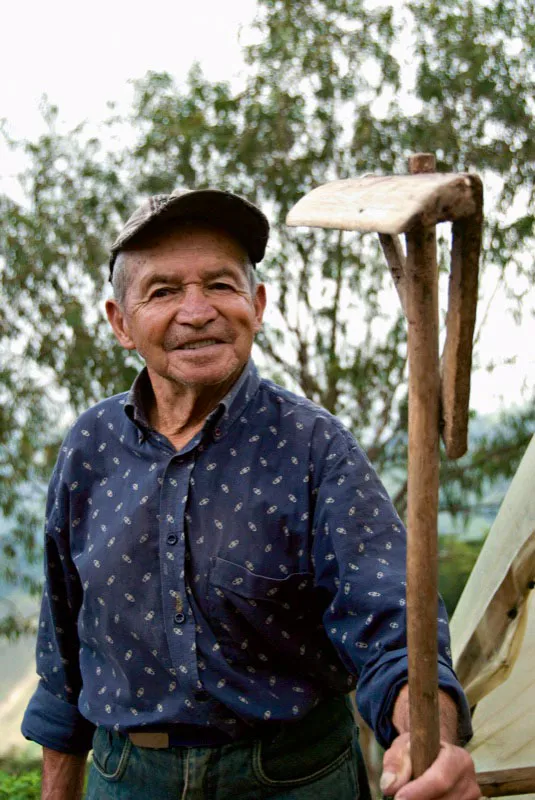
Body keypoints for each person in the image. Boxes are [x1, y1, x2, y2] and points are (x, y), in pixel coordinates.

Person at [22, 189, 480, 800]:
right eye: (162, 292)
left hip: (293, 777)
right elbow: (63, 655)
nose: (197, 310)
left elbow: (396, 635)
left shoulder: (317, 447)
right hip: (127, 777)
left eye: (220, 285)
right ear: (120, 323)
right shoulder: (90, 448)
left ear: (256, 305)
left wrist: (429, 740)